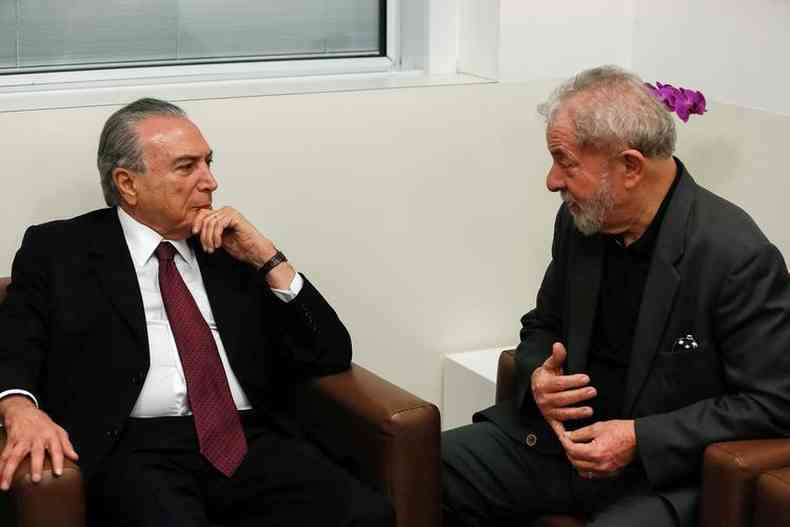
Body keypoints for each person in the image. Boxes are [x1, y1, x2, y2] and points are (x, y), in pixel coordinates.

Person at [0, 98, 393, 526]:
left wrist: (267, 257)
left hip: (248, 439)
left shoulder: (228, 248)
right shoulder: (60, 250)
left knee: (365, 514)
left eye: (208, 163)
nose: (211, 181)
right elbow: (16, 340)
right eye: (187, 167)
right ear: (127, 183)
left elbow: (329, 352)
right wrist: (19, 407)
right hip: (135, 449)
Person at [441, 66, 790, 526]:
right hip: (559, 448)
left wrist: (639, 438)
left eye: (565, 162)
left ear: (629, 167)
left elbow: (774, 402)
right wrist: (537, 378)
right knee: (425, 465)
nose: (552, 180)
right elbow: (543, 324)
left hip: (659, 474)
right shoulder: (581, 221)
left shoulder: (735, 255)